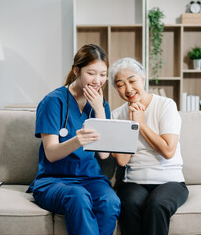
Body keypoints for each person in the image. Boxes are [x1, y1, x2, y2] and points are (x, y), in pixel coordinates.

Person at [27, 44, 120, 235]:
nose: (97, 80)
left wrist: (100, 110)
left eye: (103, 75)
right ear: (77, 70)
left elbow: (103, 154)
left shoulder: (102, 105)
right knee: (78, 196)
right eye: (91, 73)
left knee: (110, 201)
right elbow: (51, 154)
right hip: (53, 181)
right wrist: (77, 140)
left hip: (91, 179)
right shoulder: (53, 102)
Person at [109, 58, 189, 235]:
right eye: (120, 85)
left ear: (143, 79)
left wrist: (140, 124)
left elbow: (168, 151)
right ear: (115, 89)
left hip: (170, 181)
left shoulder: (165, 105)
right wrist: (130, 124)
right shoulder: (117, 115)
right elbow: (122, 161)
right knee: (128, 203)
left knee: (156, 205)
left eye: (132, 81)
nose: (128, 89)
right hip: (134, 181)